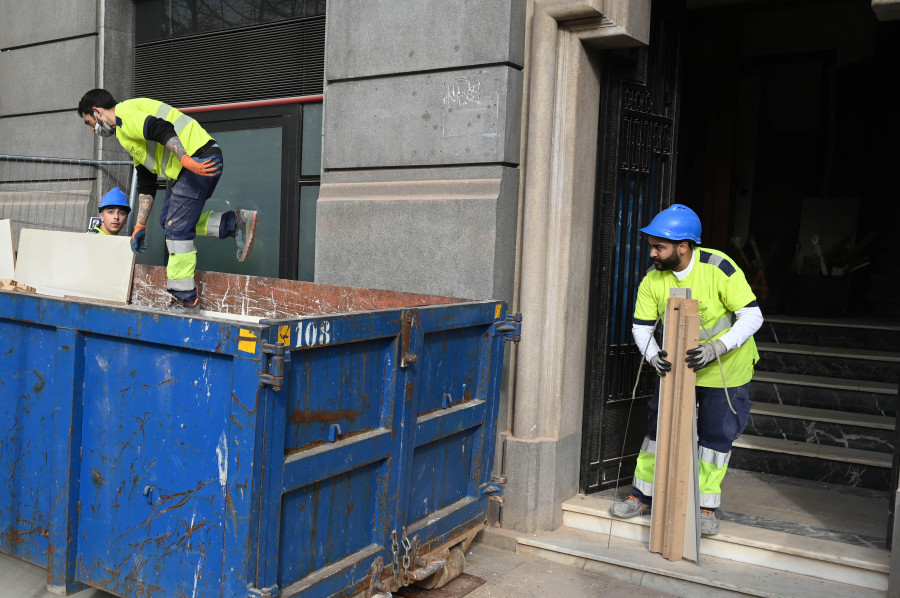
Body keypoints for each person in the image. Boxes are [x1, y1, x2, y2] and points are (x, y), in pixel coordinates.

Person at [609, 204, 763, 536]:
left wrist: (718, 347)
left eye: (658, 247)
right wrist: (653, 357)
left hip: (727, 368)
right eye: (651, 245)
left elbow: (753, 316)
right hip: (678, 369)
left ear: (683, 246)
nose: (652, 253)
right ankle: (641, 495)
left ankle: (706, 506)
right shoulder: (653, 280)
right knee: (657, 431)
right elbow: (641, 327)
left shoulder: (718, 267)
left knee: (715, 437)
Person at [77, 89, 257, 314]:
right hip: (189, 165)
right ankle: (234, 223)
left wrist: (186, 159)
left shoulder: (125, 114)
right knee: (168, 220)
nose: (93, 130)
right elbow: (146, 181)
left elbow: (160, 128)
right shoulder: (124, 132)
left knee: (176, 226)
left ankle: (186, 299)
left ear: (97, 112)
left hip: (197, 158)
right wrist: (140, 225)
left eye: (90, 123)